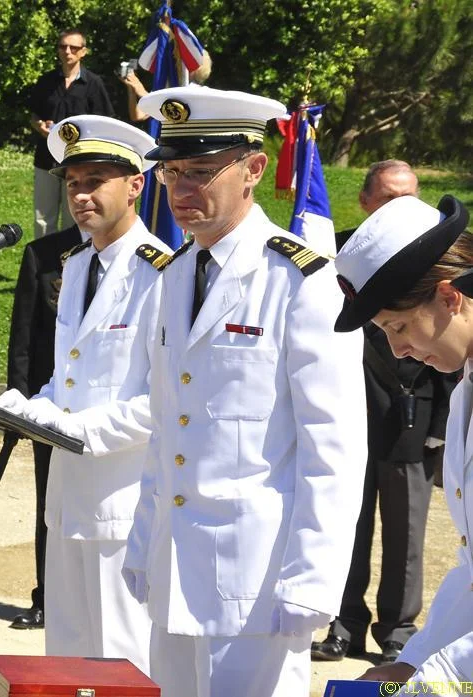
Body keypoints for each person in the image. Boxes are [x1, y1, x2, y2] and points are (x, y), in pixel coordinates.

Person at [122, 85, 367, 697]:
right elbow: (166, 426)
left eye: (201, 172)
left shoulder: (300, 280)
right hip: (175, 567)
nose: (180, 191)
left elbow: (332, 447)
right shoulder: (174, 275)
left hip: (258, 583)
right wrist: (143, 537)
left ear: (254, 168)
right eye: (172, 172)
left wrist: (314, 580)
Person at [0, 114, 168, 670]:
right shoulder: (74, 266)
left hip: (124, 505)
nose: (81, 194)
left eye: (96, 180)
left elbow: (164, 404)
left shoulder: (162, 275)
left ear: (136, 184)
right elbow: (66, 377)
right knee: (66, 663)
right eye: (73, 182)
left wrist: (73, 430)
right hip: (67, 502)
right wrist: (32, 408)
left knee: (124, 664)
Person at [312, 161, 455, 664]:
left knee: (406, 537)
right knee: (350, 526)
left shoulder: (433, 272)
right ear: (366, 202)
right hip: (357, 418)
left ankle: (398, 627)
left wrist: (440, 431)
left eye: (399, 328)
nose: (396, 346)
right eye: (391, 197)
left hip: (411, 423)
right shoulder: (347, 262)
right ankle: (345, 623)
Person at [330, 194, 473, 687]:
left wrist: (435, 678)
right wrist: (410, 662)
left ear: (450, 298)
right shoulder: (466, 387)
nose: (399, 351)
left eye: (399, 327)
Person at [4, 221, 82, 630]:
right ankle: (47, 597)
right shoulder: (46, 253)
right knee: (49, 502)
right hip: (48, 407)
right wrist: (17, 406)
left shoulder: (149, 259)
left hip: (108, 415)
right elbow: (23, 337)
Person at [28, 28, 114, 239]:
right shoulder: (46, 81)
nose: (68, 51)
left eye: (74, 47)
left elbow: (105, 123)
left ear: (83, 52)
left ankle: (71, 268)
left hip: (78, 163)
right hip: (46, 159)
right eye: (63, 46)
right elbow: (33, 115)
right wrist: (38, 126)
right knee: (43, 217)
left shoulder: (93, 84)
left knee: (74, 217)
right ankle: (42, 268)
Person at [120, 50, 212, 124]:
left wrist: (143, 93)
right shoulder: (168, 89)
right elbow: (137, 116)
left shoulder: (202, 92)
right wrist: (132, 88)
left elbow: (175, 110)